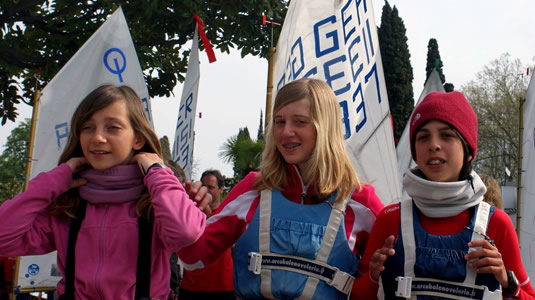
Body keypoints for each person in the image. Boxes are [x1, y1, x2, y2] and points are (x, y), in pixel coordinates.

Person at [178, 78, 384, 299]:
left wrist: (373, 277)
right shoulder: (253, 188)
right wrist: (188, 214)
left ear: (326, 128)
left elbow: (379, 287)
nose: (286, 132)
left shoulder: (362, 201)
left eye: (300, 122)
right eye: (279, 121)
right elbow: (193, 259)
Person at [0, 84, 211, 300]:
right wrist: (54, 181)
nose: (97, 138)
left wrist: (157, 172)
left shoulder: (155, 202)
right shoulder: (69, 204)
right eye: (88, 127)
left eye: (113, 127)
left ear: (138, 139)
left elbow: (185, 232)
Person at [365, 91, 535, 299]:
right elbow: (355, 294)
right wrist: (373, 277)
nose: (434, 145)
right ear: (415, 151)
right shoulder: (390, 220)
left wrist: (507, 283)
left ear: (469, 150)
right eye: (423, 137)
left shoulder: (496, 224)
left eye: (447, 135)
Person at [179, 169, 235, 300]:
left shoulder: (229, 213)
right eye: (204, 186)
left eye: (211, 187)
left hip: (222, 288)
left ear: (221, 189)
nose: (206, 190)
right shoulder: (190, 212)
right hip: (191, 287)